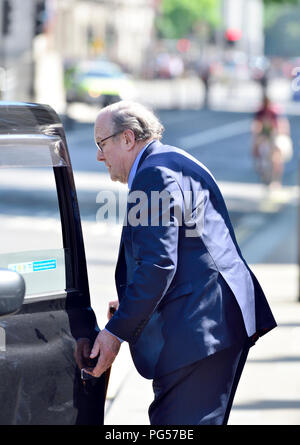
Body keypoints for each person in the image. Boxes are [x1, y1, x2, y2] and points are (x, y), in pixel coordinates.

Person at [80, 101, 276, 425]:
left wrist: (115, 333)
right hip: (211, 324)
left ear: (127, 138)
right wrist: (133, 305)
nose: (100, 156)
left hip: (202, 330)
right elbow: (189, 252)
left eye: (101, 144)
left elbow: (158, 265)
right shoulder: (173, 161)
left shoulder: (153, 174)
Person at [252, 95, 292, 187]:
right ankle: (262, 170)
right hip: (265, 135)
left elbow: (281, 127)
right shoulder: (260, 112)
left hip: (276, 135)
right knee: (258, 149)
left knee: (276, 155)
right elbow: (256, 126)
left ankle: (276, 179)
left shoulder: (275, 112)